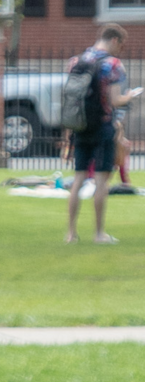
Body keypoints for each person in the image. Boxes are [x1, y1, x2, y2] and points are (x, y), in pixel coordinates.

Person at [65, 24, 141, 244]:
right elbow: (116, 100)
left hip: (80, 125)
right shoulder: (113, 65)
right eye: (122, 45)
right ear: (115, 40)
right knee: (101, 180)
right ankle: (99, 233)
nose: (121, 50)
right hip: (103, 126)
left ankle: (71, 233)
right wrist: (130, 96)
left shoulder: (77, 61)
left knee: (79, 177)